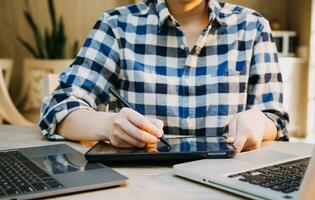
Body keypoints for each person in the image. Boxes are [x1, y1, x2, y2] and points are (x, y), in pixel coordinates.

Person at [39, 0, 289, 153]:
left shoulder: (252, 26)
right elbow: (59, 106)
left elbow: (274, 120)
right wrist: (108, 125)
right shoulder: (117, 25)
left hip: (228, 182)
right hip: (137, 187)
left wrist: (258, 122)